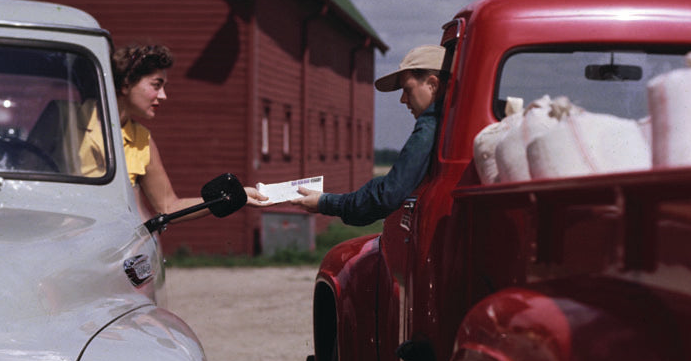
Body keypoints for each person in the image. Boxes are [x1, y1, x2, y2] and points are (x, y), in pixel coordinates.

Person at [290, 44, 445, 225]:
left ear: (433, 85)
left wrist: (326, 202)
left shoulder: (430, 125)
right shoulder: (448, 122)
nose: (403, 99)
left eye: (407, 89)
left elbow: (389, 193)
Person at [111, 43, 267, 216]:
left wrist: (235, 196)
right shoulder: (78, 125)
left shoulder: (141, 139)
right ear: (126, 84)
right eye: (156, 85)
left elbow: (169, 207)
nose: (163, 96)